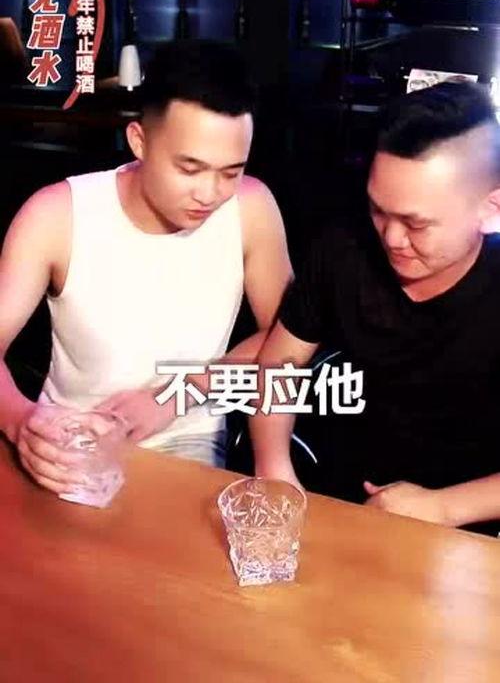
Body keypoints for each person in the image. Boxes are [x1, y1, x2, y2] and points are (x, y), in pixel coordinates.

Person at [0, 40, 292, 494]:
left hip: (189, 451)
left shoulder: (251, 207)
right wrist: (21, 420)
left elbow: (287, 339)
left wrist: (176, 394)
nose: (210, 194)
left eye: (230, 172)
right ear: (139, 141)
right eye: (189, 169)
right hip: (68, 448)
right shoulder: (57, 215)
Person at [250, 81, 500, 535]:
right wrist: (274, 468)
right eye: (379, 210)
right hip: (340, 499)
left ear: (491, 209)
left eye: (416, 224)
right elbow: (279, 364)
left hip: (465, 523)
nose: (391, 238)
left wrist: (443, 508)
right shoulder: (343, 249)